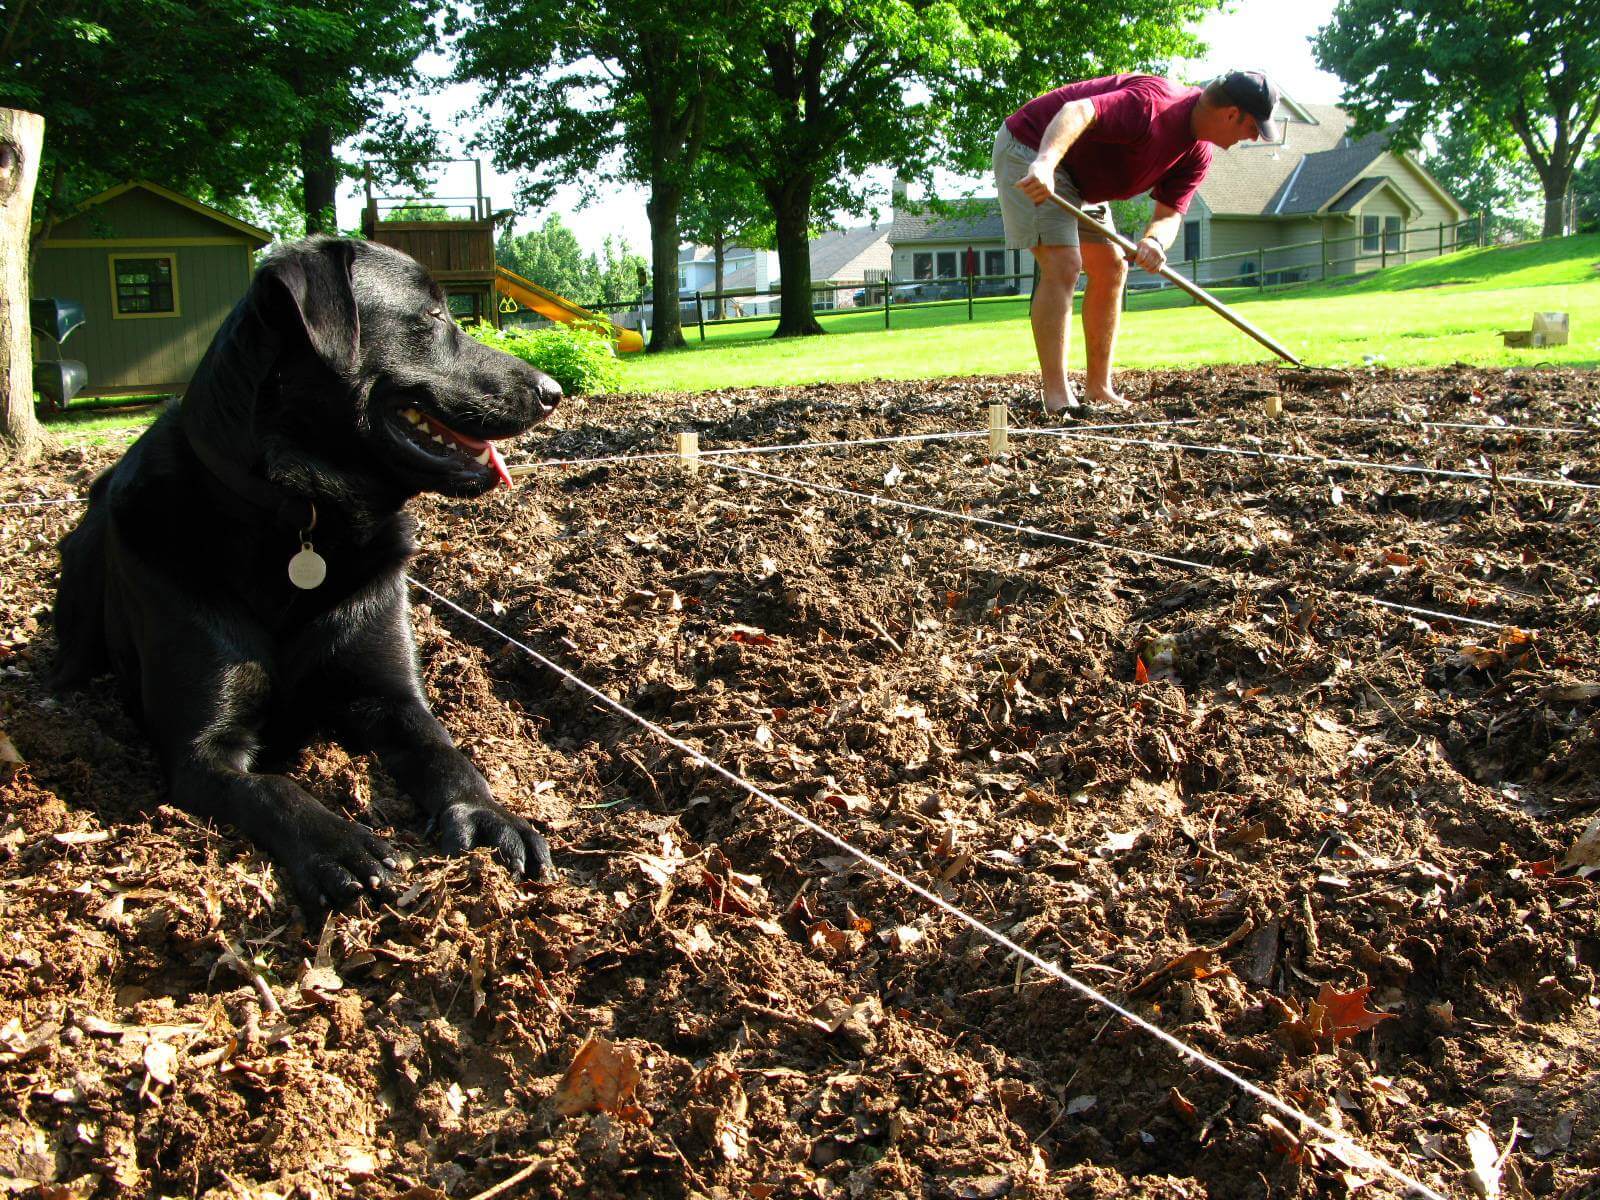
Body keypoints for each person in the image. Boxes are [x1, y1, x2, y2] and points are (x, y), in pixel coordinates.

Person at [994, 70, 1279, 414]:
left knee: (1113, 267)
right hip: (1033, 148)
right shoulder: (1153, 106)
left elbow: (1170, 212)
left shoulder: (1197, 153)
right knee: (1064, 264)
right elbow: (1078, 111)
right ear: (1231, 113)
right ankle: (1057, 396)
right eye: (1253, 128)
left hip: (1083, 180)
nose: (1251, 137)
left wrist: (1156, 242)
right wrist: (1044, 163)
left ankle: (1099, 388)